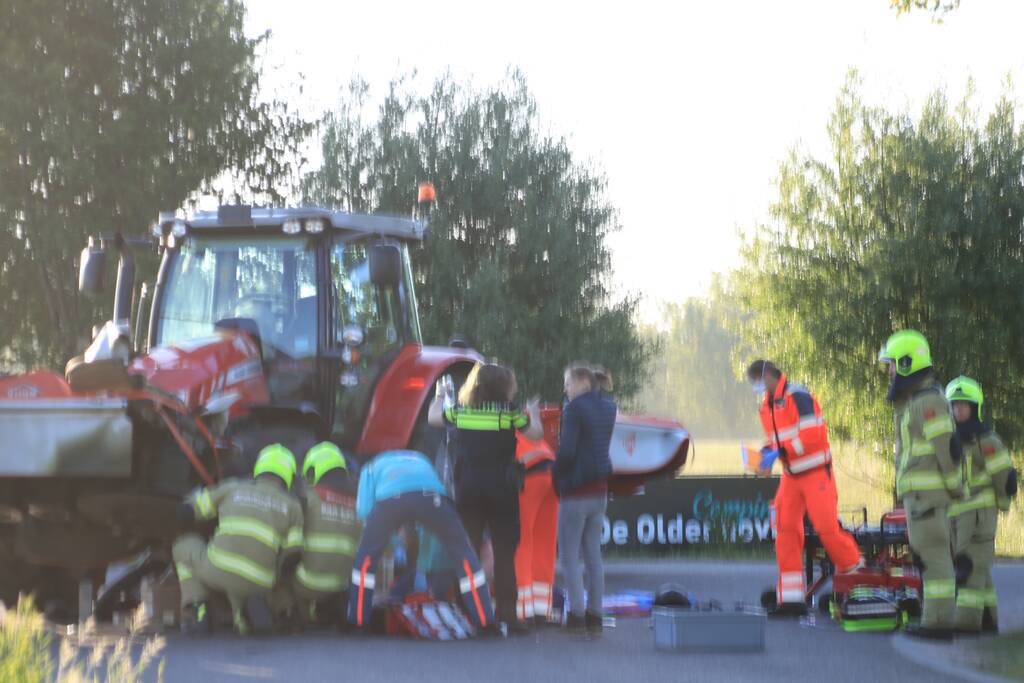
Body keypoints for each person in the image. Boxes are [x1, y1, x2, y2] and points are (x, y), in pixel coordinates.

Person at [427, 363, 543, 631]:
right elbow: (535, 436)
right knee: (504, 554)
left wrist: (439, 395)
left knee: (469, 552)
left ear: (475, 385)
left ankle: (469, 612)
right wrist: (533, 414)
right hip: (502, 489)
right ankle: (508, 616)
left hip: (469, 489)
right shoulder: (510, 414)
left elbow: (434, 418)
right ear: (505, 387)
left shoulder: (462, 412)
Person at [746, 360, 862, 617]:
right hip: (792, 475)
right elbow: (776, 439)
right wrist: (764, 457)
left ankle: (855, 570)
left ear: (767, 376)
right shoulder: (766, 406)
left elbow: (811, 435)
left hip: (816, 472)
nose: (755, 387)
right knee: (785, 529)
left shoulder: (797, 395)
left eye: (756, 380)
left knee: (827, 528)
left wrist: (780, 451)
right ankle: (791, 600)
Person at [347, 450, 495, 632]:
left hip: (390, 499)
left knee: (365, 560)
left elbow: (364, 511)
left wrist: (388, 543)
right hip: (432, 498)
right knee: (464, 555)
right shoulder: (421, 459)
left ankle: (358, 622)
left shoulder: (370, 467)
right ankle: (486, 621)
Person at [878, 330, 963, 639]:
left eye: (892, 365)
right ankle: (934, 618)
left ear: (906, 363)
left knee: (935, 559)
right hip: (919, 498)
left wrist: (956, 489)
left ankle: (938, 625)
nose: (889, 371)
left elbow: (948, 452)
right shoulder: (914, 402)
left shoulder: (930, 403)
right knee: (927, 558)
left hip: (928, 498)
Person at [173, 443, 305, 635]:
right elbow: (292, 556)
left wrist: (185, 508)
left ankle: (197, 609)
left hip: (218, 570)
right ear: (289, 475)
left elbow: (191, 511)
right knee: (275, 568)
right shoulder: (293, 506)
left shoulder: (233, 487)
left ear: (258, 467)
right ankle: (274, 612)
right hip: (262, 581)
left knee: (183, 546)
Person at [945, 376, 1017, 634]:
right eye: (954, 405)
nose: (958, 410)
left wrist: (1001, 505)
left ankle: (966, 622)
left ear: (975, 408)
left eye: (964, 405)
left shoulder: (986, 440)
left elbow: (1004, 478)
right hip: (956, 515)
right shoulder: (951, 440)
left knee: (971, 567)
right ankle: (988, 620)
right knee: (976, 568)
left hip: (979, 516)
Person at [554, 363, 616, 637]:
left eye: (567, 382)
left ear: (582, 382)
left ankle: (576, 615)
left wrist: (555, 475)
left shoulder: (574, 409)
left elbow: (567, 451)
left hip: (575, 491)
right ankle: (595, 614)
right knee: (593, 555)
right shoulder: (609, 407)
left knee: (568, 556)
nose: (565, 389)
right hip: (599, 490)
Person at [278, 441, 360, 628]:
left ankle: (287, 611)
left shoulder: (307, 497)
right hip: (341, 583)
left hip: (306, 582)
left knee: (269, 564)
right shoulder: (359, 503)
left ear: (314, 470)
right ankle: (322, 610)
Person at [513, 432, 559, 624]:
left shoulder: (496, 421)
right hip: (550, 472)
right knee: (544, 543)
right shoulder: (521, 422)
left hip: (528, 472)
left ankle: (523, 610)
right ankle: (542, 610)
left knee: (522, 541)